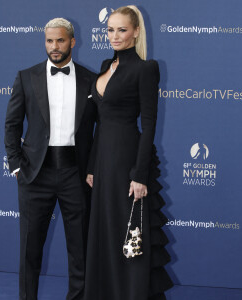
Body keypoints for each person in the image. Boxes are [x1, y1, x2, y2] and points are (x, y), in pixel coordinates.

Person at [84, 6, 173, 300]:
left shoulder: (146, 69)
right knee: (105, 233)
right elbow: (100, 122)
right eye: (110, 30)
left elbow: (148, 126)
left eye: (122, 30)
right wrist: (92, 167)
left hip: (128, 162)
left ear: (136, 32)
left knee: (130, 235)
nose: (115, 36)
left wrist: (140, 174)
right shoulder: (104, 65)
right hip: (103, 165)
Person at [4, 18, 96, 300]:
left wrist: (93, 169)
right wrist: (17, 165)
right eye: (49, 41)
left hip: (75, 173)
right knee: (30, 249)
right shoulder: (26, 76)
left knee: (80, 249)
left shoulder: (90, 79)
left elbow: (101, 129)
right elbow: (12, 124)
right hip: (35, 174)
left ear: (72, 42)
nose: (54, 47)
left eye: (60, 40)